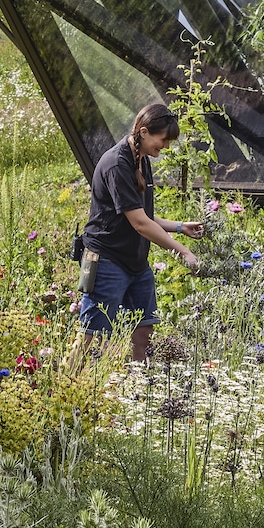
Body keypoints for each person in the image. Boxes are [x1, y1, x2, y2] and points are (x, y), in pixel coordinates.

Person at [78, 101, 206, 362]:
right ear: (144, 132)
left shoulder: (141, 158)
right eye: (163, 140)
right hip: (106, 260)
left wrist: (180, 227)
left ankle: (138, 389)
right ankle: (68, 389)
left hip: (135, 262)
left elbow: (142, 215)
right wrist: (183, 252)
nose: (166, 147)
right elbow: (139, 223)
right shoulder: (116, 164)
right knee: (95, 335)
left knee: (144, 329)